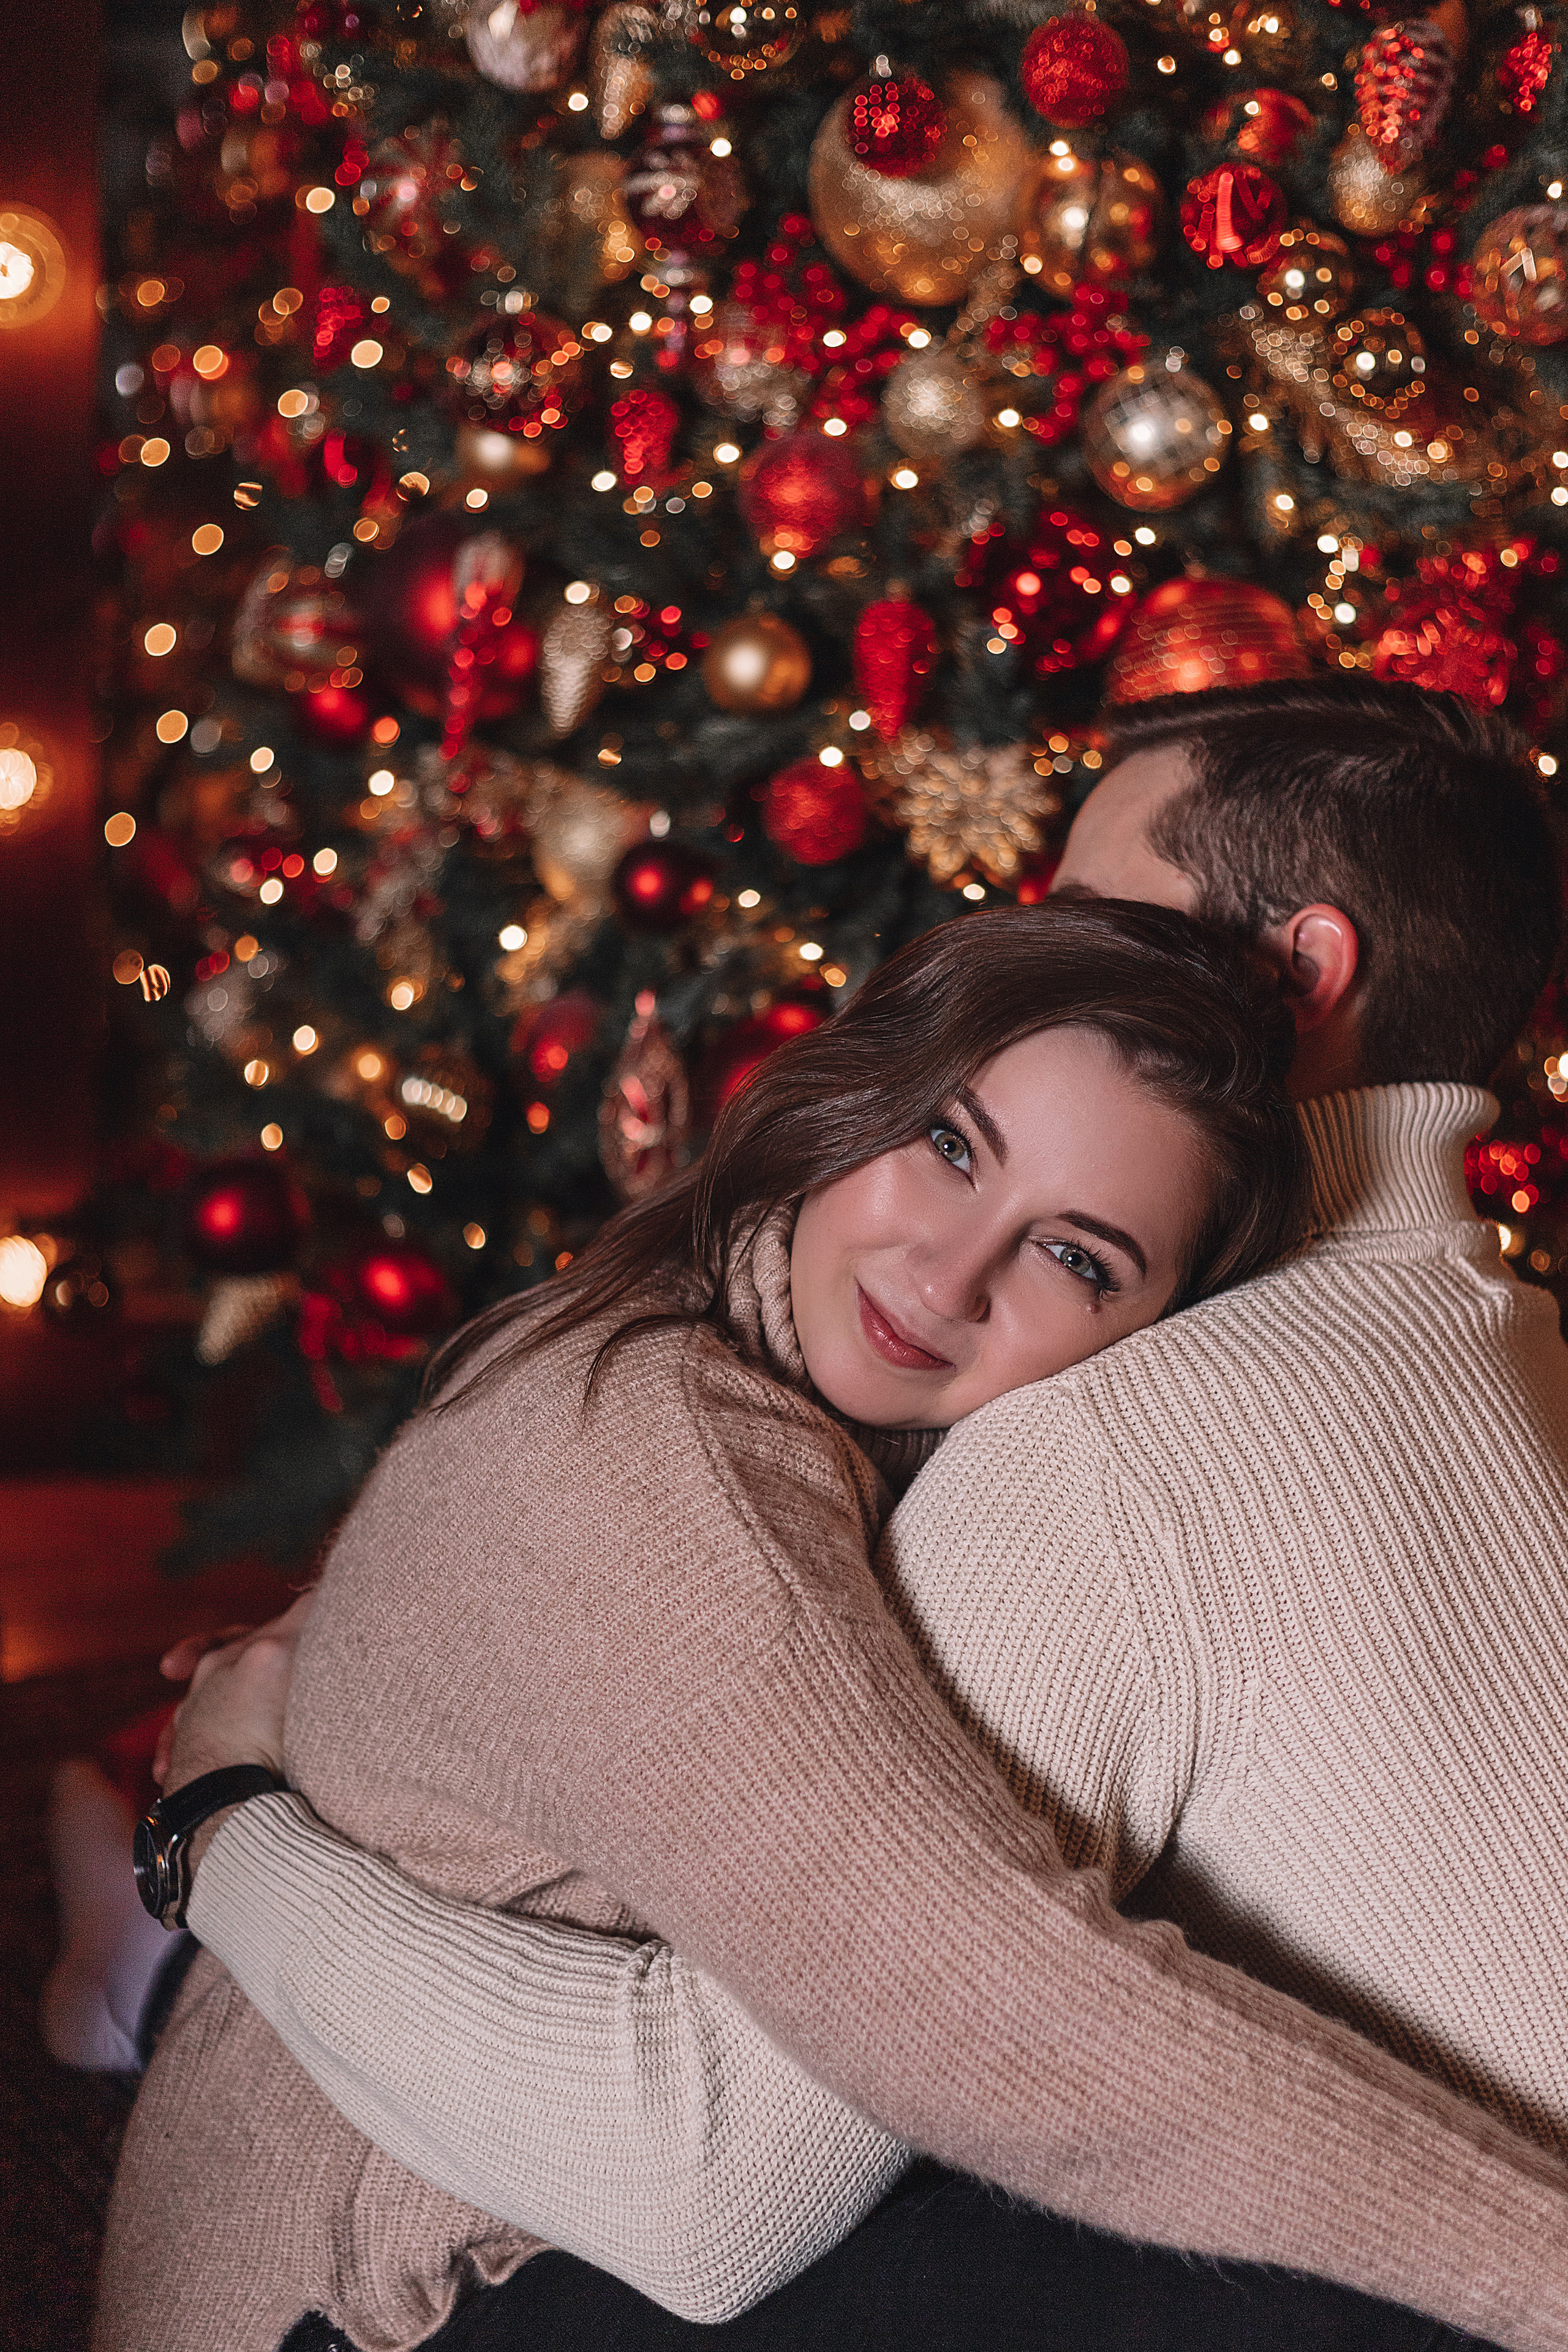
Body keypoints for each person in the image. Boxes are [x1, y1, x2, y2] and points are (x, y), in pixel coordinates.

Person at [102, 687, 1568, 2352]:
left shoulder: (1112, 1445)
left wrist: (225, 1827)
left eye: (1087, 905)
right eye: (950, 1142)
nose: (1022, 938)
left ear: (1294, 975)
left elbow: (732, 2168)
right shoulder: (1518, 1355)